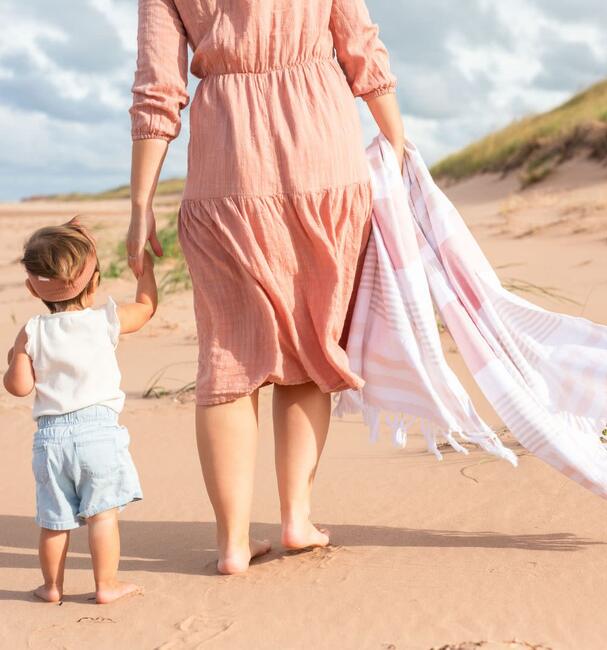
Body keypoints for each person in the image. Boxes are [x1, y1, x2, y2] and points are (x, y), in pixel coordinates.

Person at [127, 0, 404, 574]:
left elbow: (158, 87)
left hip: (226, 167)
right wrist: (394, 138)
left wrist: (140, 202)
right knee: (312, 341)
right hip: (323, 156)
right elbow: (361, 46)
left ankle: (231, 543)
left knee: (228, 353)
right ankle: (296, 519)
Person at [3, 218, 157, 604]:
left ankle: (52, 587)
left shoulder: (33, 330)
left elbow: (19, 387)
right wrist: (147, 273)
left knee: (54, 521)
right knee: (102, 515)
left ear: (31, 287)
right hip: (99, 435)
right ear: (95, 282)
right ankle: (106, 585)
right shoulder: (105, 319)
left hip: (51, 441)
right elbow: (145, 308)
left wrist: (14, 359)